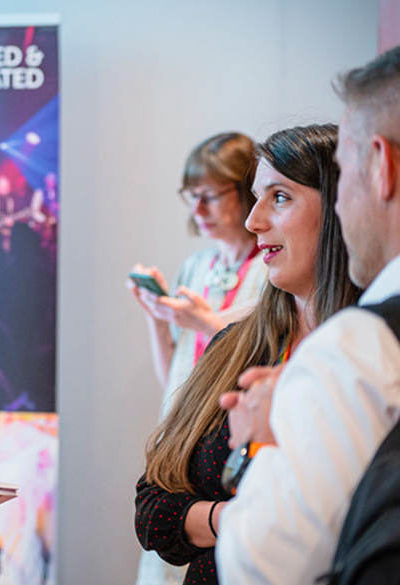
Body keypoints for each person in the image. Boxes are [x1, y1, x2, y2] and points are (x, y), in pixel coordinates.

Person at [135, 124, 362, 585]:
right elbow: (153, 508)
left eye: (279, 197)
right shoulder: (234, 344)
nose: (254, 221)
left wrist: (214, 518)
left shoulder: (369, 356)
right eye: (256, 197)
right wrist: (234, 520)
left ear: (342, 206)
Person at [217, 47, 400, 585]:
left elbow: (263, 567)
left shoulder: (360, 350)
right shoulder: (246, 339)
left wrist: (271, 436)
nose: (343, 205)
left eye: (343, 174)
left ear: (381, 166)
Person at [129, 132, 267, 585]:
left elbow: (256, 361)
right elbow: (174, 376)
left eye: (209, 196)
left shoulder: (271, 272)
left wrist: (209, 324)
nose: (199, 210)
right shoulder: (198, 268)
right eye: (192, 197)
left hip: (226, 451)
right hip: (181, 436)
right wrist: (156, 316)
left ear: (246, 191)